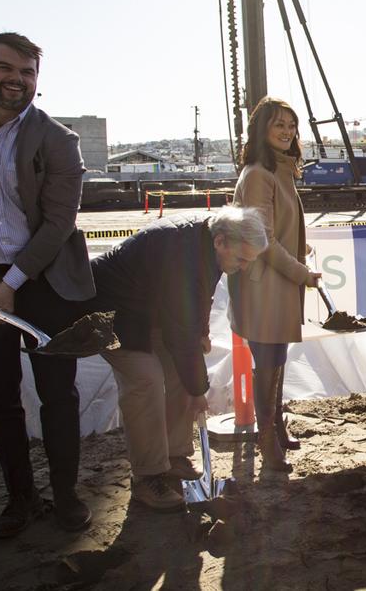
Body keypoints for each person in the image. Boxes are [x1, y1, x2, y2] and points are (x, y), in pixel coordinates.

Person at [0, 32, 95, 537]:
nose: (17, 80)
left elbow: (57, 225)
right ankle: (21, 498)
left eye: (28, 72)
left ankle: (67, 496)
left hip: (43, 280)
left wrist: (12, 282)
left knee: (58, 394)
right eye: (6, 68)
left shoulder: (58, 140)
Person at [88, 206, 268, 510]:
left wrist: (203, 330)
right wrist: (199, 391)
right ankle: (148, 477)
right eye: (241, 259)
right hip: (113, 312)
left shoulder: (207, 240)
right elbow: (180, 335)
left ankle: (174, 456)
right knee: (145, 380)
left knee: (179, 373)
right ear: (221, 241)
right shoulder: (181, 253)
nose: (244, 267)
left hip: (151, 309)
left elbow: (201, 296)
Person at [228, 98, 321, 473]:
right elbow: (262, 238)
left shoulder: (279, 169)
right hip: (262, 284)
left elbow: (277, 226)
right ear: (261, 130)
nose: (287, 131)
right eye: (278, 124)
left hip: (275, 282)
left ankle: (275, 428)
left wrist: (300, 245)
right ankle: (267, 441)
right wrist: (302, 272)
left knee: (276, 359)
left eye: (291, 124)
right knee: (267, 362)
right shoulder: (258, 174)